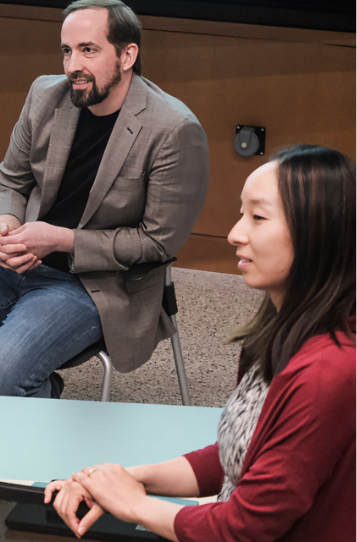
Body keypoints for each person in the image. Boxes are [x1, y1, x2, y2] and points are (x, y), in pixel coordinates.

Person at [0, 0, 208, 398]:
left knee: (0, 369)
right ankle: (30, 402)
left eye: (88, 50)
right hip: (13, 260)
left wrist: (60, 240)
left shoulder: (174, 129)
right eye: (67, 51)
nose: (73, 66)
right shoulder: (46, 95)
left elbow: (157, 242)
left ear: (127, 55)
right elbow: (9, 184)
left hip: (94, 282)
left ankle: (12, 412)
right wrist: (7, 227)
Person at [45, 145, 355, 541]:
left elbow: (245, 529)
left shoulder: (330, 371)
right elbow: (238, 461)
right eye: (242, 214)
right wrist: (123, 480)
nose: (234, 234)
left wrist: (135, 504)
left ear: (318, 234)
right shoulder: (279, 333)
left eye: (258, 218)